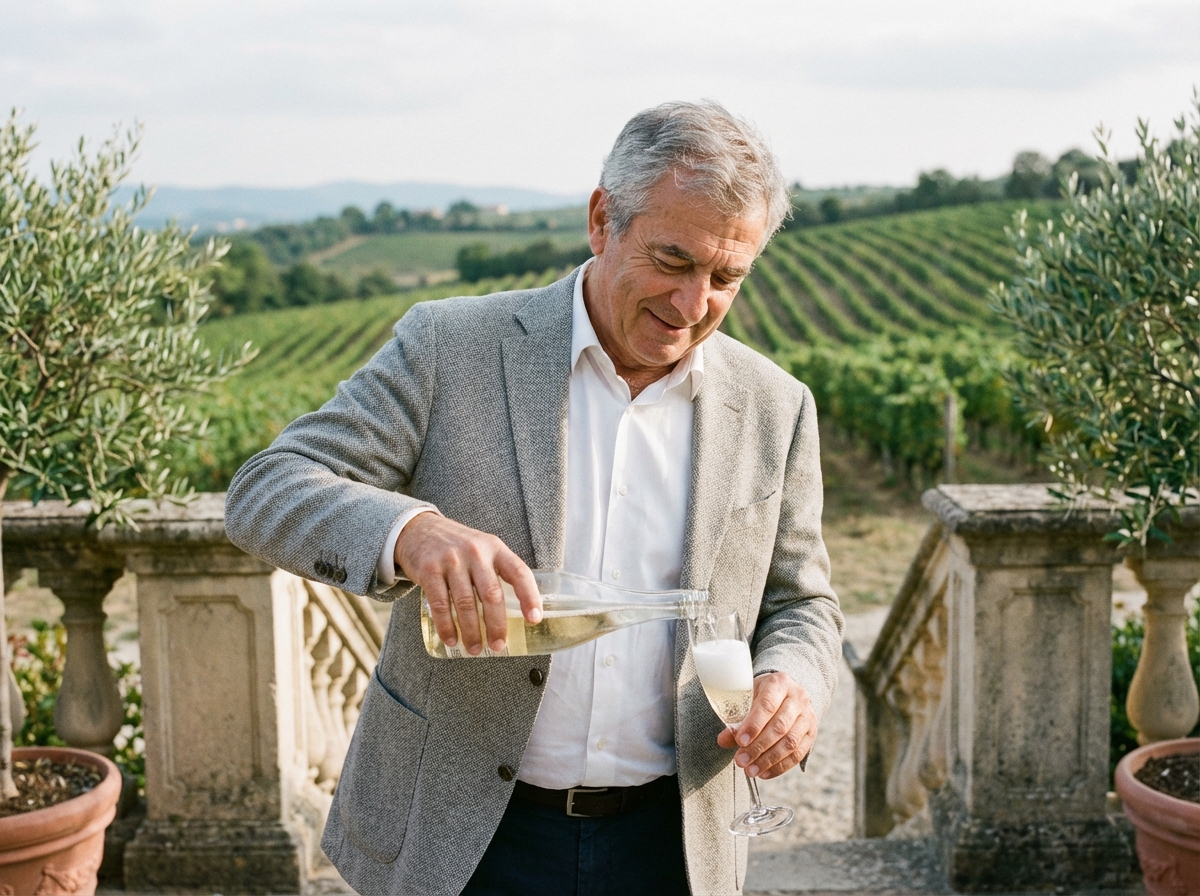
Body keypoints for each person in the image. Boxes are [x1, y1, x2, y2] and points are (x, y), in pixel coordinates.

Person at [225, 100, 843, 896]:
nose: (694, 306)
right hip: (465, 836)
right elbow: (266, 490)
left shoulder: (776, 405)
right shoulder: (451, 346)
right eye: (673, 260)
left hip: (676, 843)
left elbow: (804, 603)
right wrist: (413, 532)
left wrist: (794, 681)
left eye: (726, 277)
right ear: (600, 220)